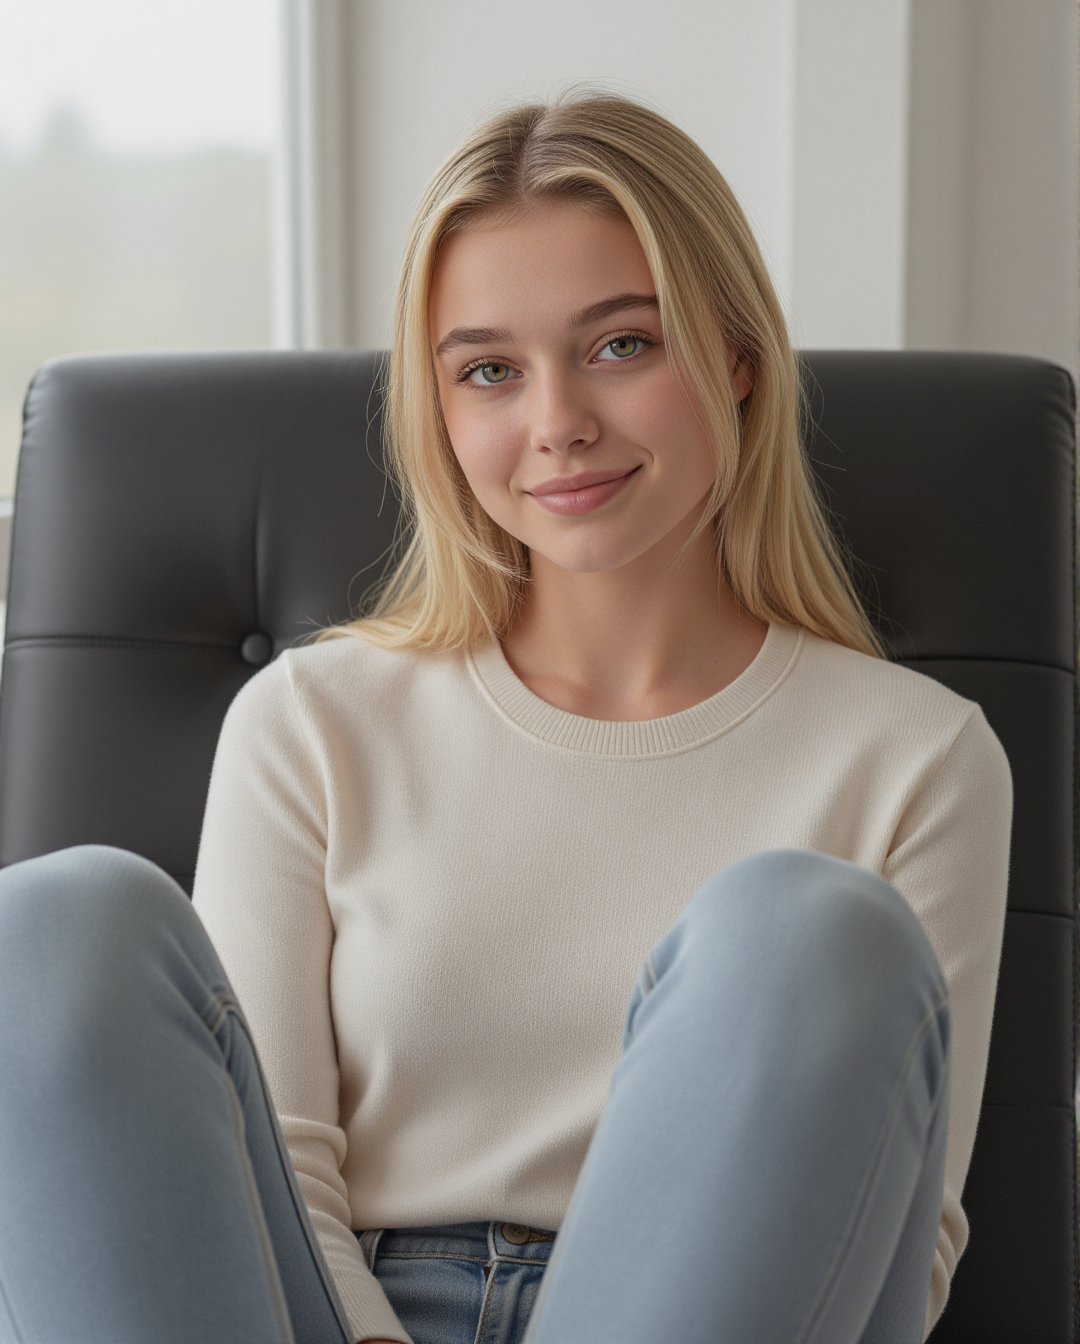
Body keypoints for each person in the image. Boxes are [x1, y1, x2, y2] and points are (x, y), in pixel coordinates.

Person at [0, 93, 1011, 1344]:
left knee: (813, 931)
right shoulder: (311, 722)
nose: (557, 423)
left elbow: (902, 1246)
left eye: (622, 345)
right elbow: (282, 1172)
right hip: (337, 1313)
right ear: (439, 411)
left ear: (737, 355)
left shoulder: (921, 757)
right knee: (54, 923)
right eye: (489, 370)